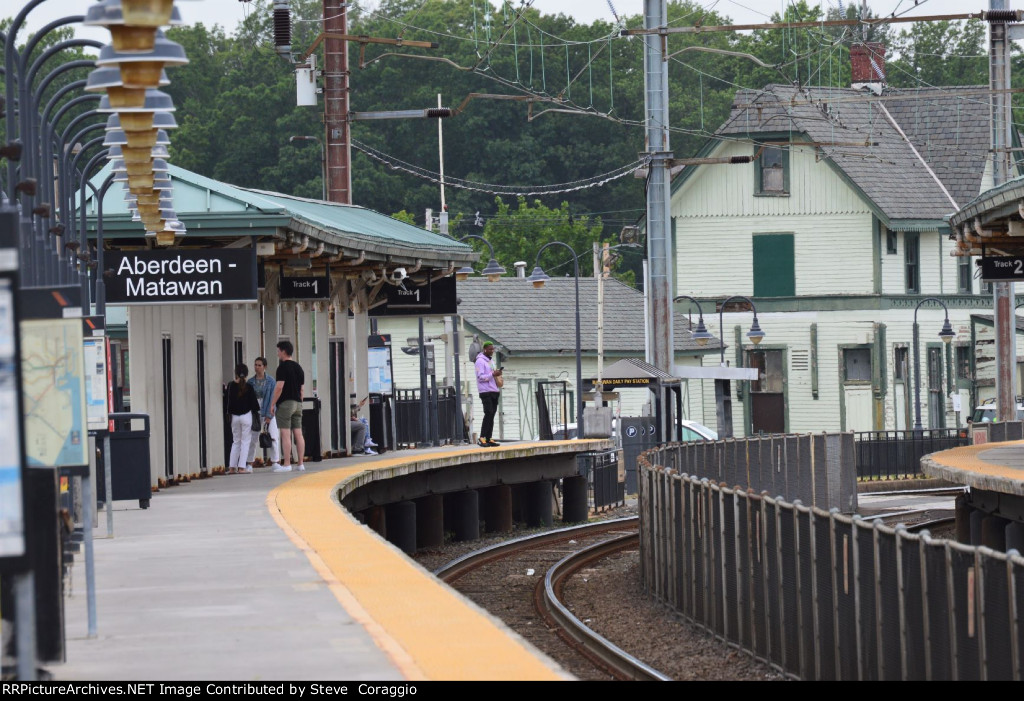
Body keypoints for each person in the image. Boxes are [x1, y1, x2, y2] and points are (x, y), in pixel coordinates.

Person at [271, 340, 306, 472]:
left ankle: (287, 464)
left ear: (284, 351)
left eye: (278, 351)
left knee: (285, 433)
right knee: (298, 433)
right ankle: (300, 463)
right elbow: (302, 389)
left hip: (286, 403)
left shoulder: (282, 367)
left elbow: (279, 387)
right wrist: (300, 402)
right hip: (298, 403)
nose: (277, 353)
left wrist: (272, 403)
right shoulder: (299, 368)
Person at [245, 356, 281, 471]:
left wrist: (270, 415)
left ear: (264, 367)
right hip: (255, 412)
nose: (257, 367)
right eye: (255, 365)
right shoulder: (250, 382)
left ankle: (275, 461)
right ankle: (249, 463)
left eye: (259, 365)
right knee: (253, 437)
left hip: (268, 409)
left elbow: (273, 398)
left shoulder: (271, 381)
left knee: (273, 436)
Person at [226, 363, 260, 474]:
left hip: (234, 417)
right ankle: (242, 467)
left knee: (236, 441)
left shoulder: (230, 385)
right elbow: (255, 405)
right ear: (246, 374)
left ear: (236, 373)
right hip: (246, 417)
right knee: (245, 442)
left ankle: (232, 467)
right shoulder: (249, 387)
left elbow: (228, 402)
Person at [474, 341, 502, 447]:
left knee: (492, 414)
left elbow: (493, 373)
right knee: (488, 413)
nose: (492, 351)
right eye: (490, 349)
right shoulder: (480, 361)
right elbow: (480, 377)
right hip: (485, 391)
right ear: (484, 349)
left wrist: (497, 373)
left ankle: (489, 437)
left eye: (493, 349)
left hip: (494, 390)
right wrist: (492, 374)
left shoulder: (491, 361)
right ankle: (482, 438)